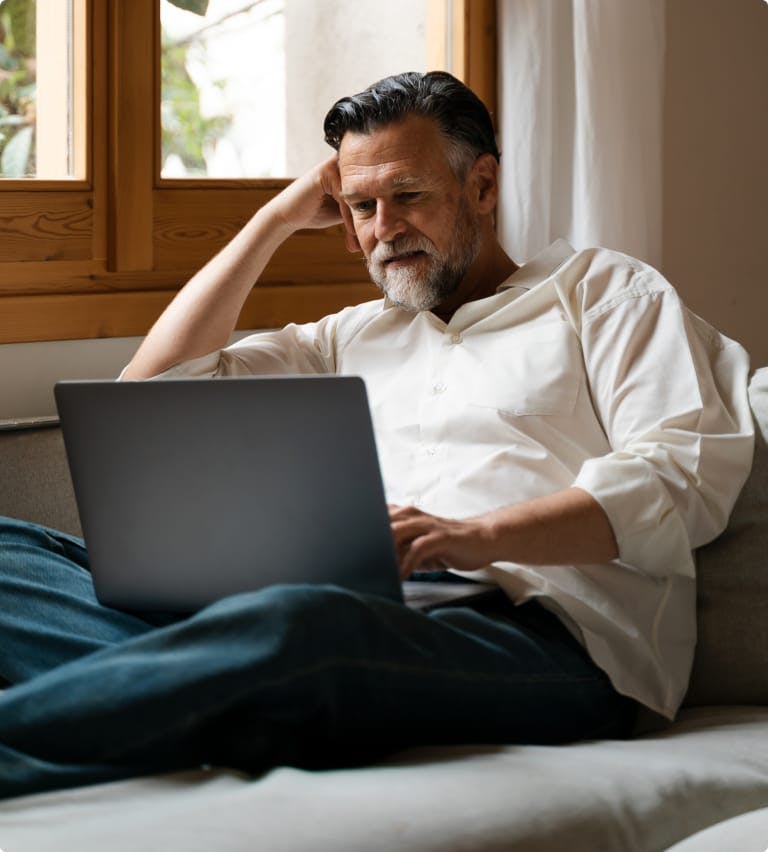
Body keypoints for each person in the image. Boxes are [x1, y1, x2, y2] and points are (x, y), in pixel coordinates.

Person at [0, 71, 754, 799]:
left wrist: (474, 536)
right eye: (360, 206)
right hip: (342, 616)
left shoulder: (601, 294)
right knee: (11, 555)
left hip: (542, 643)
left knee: (303, 627)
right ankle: (222, 686)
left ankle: (207, 684)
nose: (383, 231)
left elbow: (681, 477)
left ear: (483, 186)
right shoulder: (348, 338)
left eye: (408, 197)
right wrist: (277, 220)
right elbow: (152, 402)